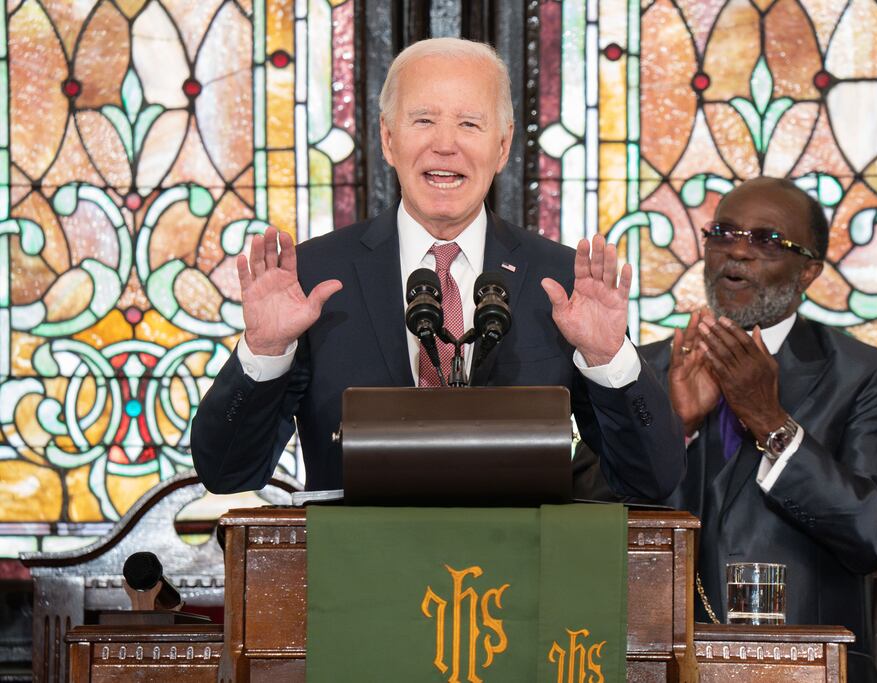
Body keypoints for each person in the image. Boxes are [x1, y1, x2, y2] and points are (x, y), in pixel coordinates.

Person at [190, 38, 685, 500]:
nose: (445, 145)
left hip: (515, 583)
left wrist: (609, 359)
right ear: (388, 139)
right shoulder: (316, 277)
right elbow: (227, 473)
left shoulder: (560, 283)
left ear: (503, 145)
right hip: (356, 577)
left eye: (470, 124)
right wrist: (265, 352)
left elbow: (653, 480)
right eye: (423, 120)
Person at [573, 177, 877, 682]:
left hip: (805, 671)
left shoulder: (865, 376)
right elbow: (578, 517)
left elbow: (875, 534)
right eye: (724, 234)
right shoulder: (639, 371)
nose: (738, 253)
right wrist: (673, 426)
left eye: (767, 241)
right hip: (656, 665)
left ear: (809, 270)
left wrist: (771, 423)